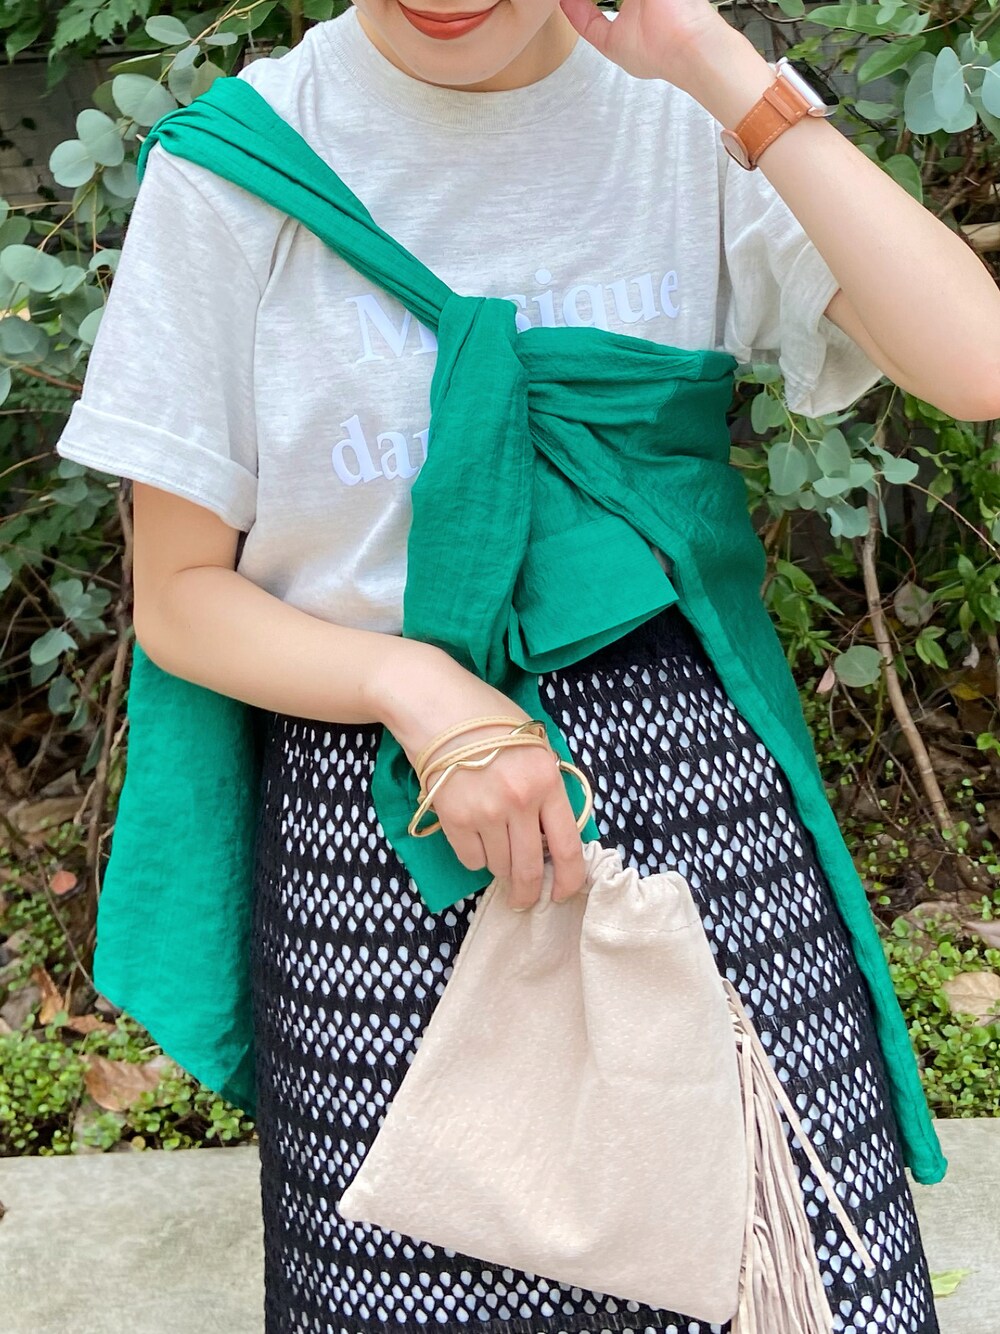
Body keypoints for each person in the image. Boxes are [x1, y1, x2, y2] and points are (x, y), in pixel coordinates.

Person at [54, 0, 1000, 1330]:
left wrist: (718, 68)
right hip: (383, 842)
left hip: (703, 822)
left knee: (791, 1278)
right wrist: (417, 688)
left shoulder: (686, 121)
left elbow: (976, 362)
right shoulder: (240, 164)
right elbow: (180, 599)